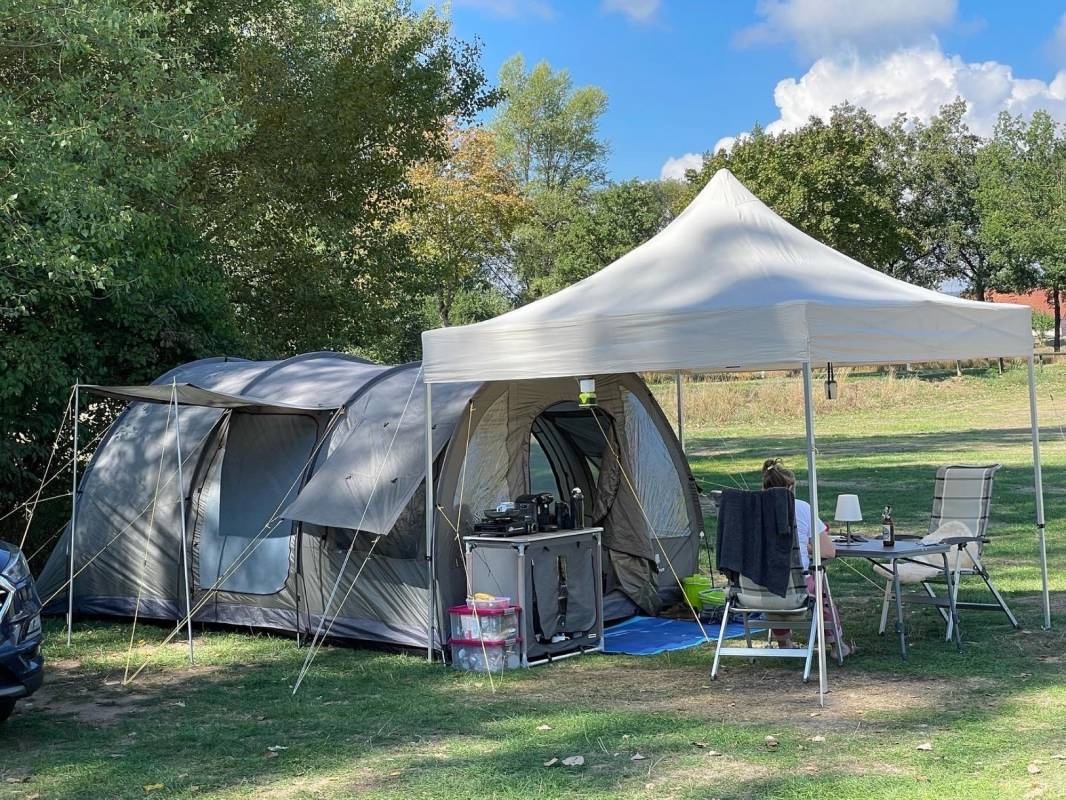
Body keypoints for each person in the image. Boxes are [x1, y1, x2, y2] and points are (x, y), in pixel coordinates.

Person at [761, 458, 855, 659]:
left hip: (756, 589)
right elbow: (829, 551)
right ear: (791, 487)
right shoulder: (801, 508)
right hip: (796, 586)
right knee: (818, 583)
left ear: (764, 487)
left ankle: (783, 641)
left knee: (776, 580)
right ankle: (837, 646)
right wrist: (809, 547)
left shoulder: (751, 511)